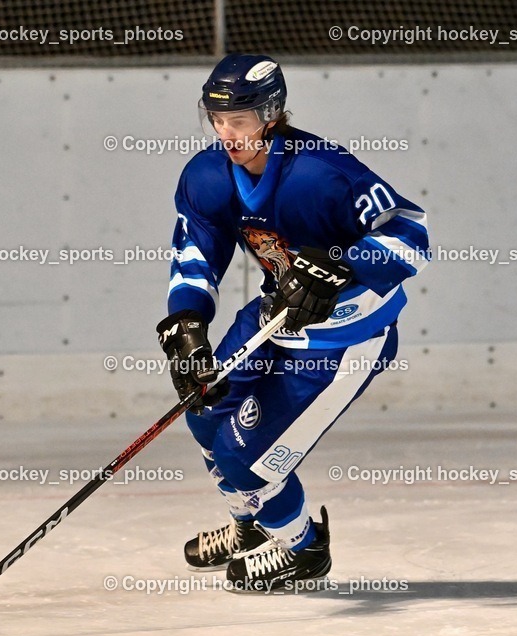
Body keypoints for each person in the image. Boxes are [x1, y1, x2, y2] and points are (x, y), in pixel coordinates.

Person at [156, 54, 430, 591]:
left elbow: (412, 238)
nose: (226, 133)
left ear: (272, 113)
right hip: (272, 319)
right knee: (204, 412)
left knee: (247, 456)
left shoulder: (324, 172)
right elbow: (195, 251)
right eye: (217, 120)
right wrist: (187, 321)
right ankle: (252, 528)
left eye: (239, 120)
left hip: (343, 339)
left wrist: (343, 268)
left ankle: (304, 550)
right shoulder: (208, 176)